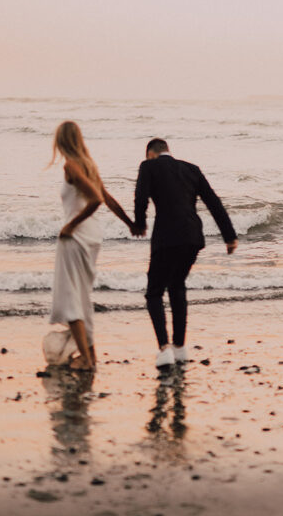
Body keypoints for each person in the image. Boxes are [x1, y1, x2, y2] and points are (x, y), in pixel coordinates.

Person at [134, 138, 237, 368]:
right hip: (192, 236)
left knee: (154, 292)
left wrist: (140, 223)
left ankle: (164, 349)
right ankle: (180, 348)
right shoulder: (191, 169)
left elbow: (141, 197)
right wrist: (229, 236)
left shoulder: (148, 166)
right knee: (177, 286)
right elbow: (214, 202)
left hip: (166, 237)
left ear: (150, 153)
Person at [49, 120, 134, 369]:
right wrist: (130, 223)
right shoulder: (89, 166)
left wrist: (70, 226)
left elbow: (97, 199)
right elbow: (107, 199)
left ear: (61, 141)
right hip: (92, 236)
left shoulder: (72, 166)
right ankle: (90, 356)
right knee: (82, 297)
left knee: (70, 296)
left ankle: (86, 358)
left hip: (76, 238)